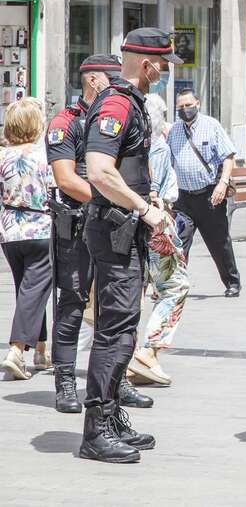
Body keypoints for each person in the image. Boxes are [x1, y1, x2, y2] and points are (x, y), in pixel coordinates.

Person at [80, 27, 183, 464]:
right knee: (114, 333)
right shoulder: (118, 104)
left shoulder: (132, 102)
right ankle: (96, 429)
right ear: (147, 63)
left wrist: (149, 198)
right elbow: (99, 171)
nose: (164, 73)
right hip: (116, 229)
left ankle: (113, 416)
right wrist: (146, 208)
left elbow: (126, 168)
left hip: (126, 229)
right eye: (162, 65)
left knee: (123, 329)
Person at [46, 54, 122, 412]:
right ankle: (64, 381)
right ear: (94, 80)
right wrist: (113, 199)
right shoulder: (66, 121)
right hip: (76, 224)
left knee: (117, 304)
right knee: (73, 301)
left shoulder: (110, 119)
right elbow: (65, 178)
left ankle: (113, 383)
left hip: (113, 225)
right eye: (113, 78)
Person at [125, 93, 189, 386]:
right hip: (156, 224)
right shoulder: (158, 147)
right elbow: (157, 191)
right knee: (175, 286)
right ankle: (148, 352)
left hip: (128, 223)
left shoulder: (128, 144)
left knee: (136, 290)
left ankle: (132, 357)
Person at [168, 88, 241, 297]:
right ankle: (175, 282)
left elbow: (228, 156)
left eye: (188, 105)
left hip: (210, 196)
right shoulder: (174, 131)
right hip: (183, 199)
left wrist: (222, 184)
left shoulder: (211, 126)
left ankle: (232, 282)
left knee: (219, 242)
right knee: (179, 241)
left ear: (197, 104)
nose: (185, 110)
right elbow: (168, 162)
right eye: (180, 107)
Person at [0, 98, 53, 380]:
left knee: (29, 289)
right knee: (34, 289)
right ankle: (17, 351)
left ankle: (41, 350)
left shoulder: (2, 156)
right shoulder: (45, 156)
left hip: (10, 232)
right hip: (41, 228)